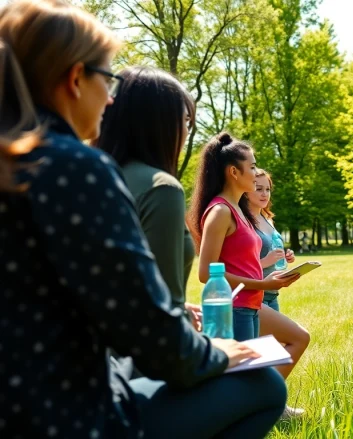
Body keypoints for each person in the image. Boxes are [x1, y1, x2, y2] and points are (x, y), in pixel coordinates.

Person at [0, 1, 287, 437]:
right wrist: (221, 354)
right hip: (67, 415)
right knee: (264, 385)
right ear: (75, 79)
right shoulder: (75, 169)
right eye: (107, 79)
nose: (110, 98)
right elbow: (155, 345)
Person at [95, 66, 202, 330]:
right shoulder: (162, 189)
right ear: (160, 123)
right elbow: (162, 318)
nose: (186, 132)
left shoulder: (90, 177)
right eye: (185, 121)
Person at [188, 132, 299, 344]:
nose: (257, 173)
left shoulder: (240, 210)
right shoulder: (220, 212)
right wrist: (263, 284)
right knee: (246, 366)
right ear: (234, 172)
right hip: (234, 308)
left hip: (250, 306)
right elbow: (206, 274)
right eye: (253, 167)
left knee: (261, 362)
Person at [248, 169, 310, 419]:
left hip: (273, 293)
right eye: (258, 188)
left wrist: (286, 257)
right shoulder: (244, 221)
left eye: (268, 189)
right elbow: (240, 265)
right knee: (276, 350)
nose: (264, 194)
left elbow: (274, 252)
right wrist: (265, 262)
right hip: (256, 293)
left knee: (269, 355)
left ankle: (274, 405)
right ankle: (263, 404)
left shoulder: (267, 219)